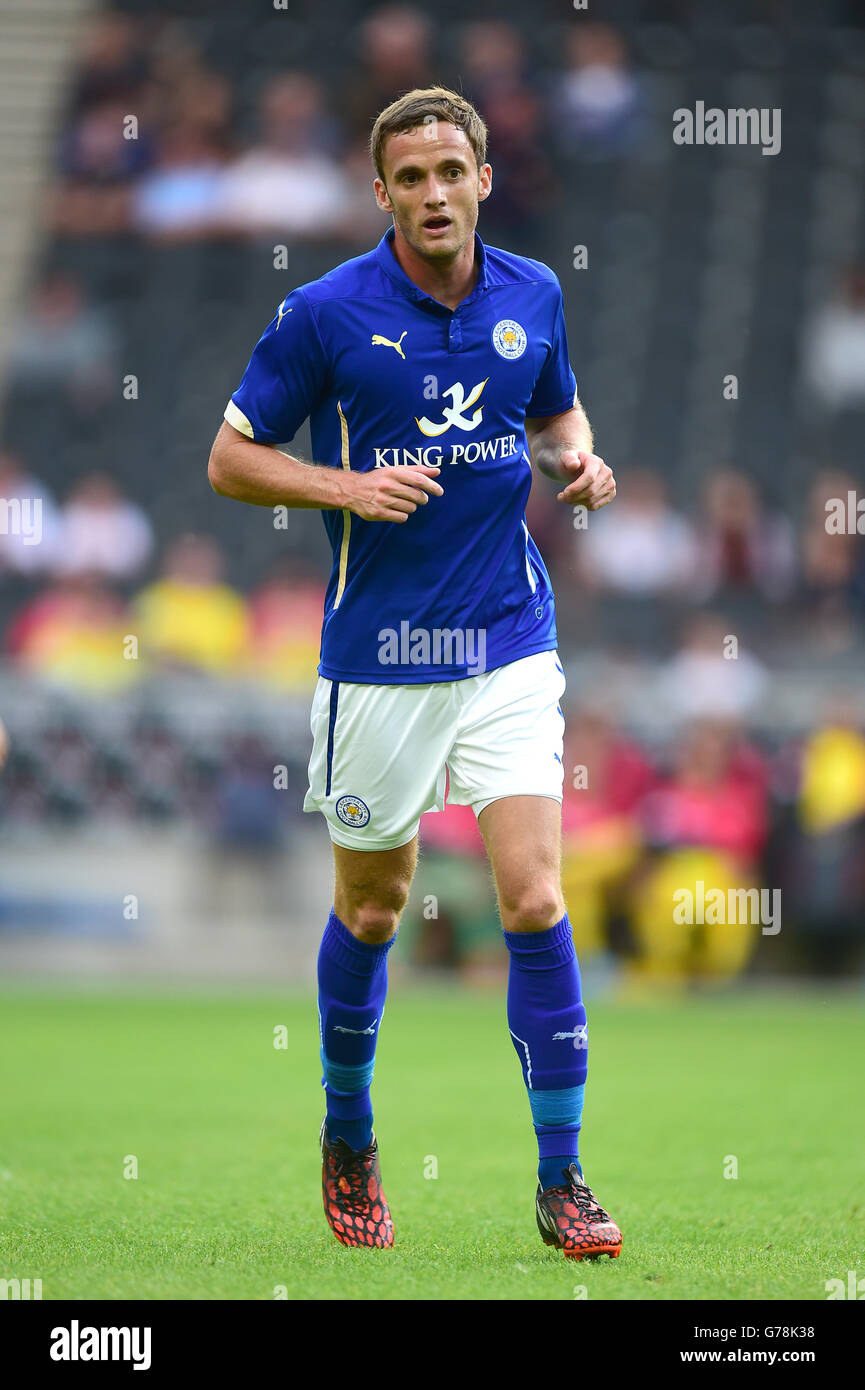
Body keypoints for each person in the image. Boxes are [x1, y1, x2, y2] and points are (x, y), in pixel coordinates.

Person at [208, 87, 621, 1261]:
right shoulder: (324, 313)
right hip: (378, 662)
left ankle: (563, 1180)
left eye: (453, 170)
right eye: (411, 177)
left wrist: (580, 466)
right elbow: (230, 457)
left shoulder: (532, 291)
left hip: (508, 637)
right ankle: (348, 1134)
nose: (434, 193)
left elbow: (553, 415)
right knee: (373, 907)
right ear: (379, 192)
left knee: (534, 897)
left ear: (483, 177)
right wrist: (346, 486)